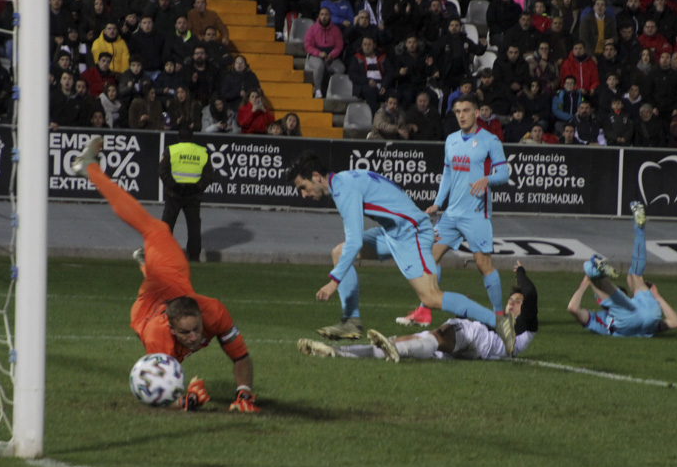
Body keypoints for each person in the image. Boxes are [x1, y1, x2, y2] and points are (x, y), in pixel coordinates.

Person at [70, 136, 258, 412]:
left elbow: (241, 355)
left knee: (159, 238)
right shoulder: (159, 335)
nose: (194, 337)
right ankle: (89, 169)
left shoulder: (215, 312)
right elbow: (154, 390)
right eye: (186, 332)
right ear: (171, 328)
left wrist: (245, 395)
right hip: (146, 308)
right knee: (156, 229)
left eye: (196, 329)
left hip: (174, 279)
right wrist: (186, 401)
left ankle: (149, 264)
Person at [286, 152, 516, 354]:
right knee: (339, 252)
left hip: (409, 233)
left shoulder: (343, 189)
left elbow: (356, 242)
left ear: (316, 176)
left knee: (431, 297)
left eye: (303, 188)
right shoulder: (345, 180)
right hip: (395, 232)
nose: (304, 195)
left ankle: (498, 322)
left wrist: (333, 281)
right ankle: (351, 322)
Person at [396, 96, 509, 327]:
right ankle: (424, 312)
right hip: (451, 214)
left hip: (476, 213)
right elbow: (447, 173)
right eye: (457, 111)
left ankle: (500, 317)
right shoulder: (451, 140)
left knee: (482, 264)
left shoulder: (490, 141)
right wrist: (438, 203)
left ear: (477, 113)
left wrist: (487, 179)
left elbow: (504, 174)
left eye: (466, 110)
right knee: (429, 257)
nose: (461, 115)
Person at [300, 261, 538, 361]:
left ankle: (391, 348)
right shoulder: (498, 320)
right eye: (510, 300)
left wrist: (521, 273)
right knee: (408, 341)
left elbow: (531, 293)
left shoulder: (526, 324)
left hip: (479, 340)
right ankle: (338, 352)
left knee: (438, 335)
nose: (512, 304)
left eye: (518, 301)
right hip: (472, 349)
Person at [567, 202, 677, 338]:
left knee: (590, 269)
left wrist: (585, 283)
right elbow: (675, 322)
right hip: (650, 312)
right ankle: (640, 231)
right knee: (634, 276)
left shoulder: (600, 319)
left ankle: (595, 268)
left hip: (627, 320)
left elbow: (572, 308)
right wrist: (657, 297)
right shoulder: (632, 305)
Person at [160, 125, 212, 263]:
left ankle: (163, 254)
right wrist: (196, 188)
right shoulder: (202, 152)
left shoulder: (171, 150)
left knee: (167, 225)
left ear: (178, 137)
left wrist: (175, 186)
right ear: (192, 138)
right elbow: (208, 175)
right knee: (194, 226)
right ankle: (194, 256)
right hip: (193, 195)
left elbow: (163, 172)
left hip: (174, 194)